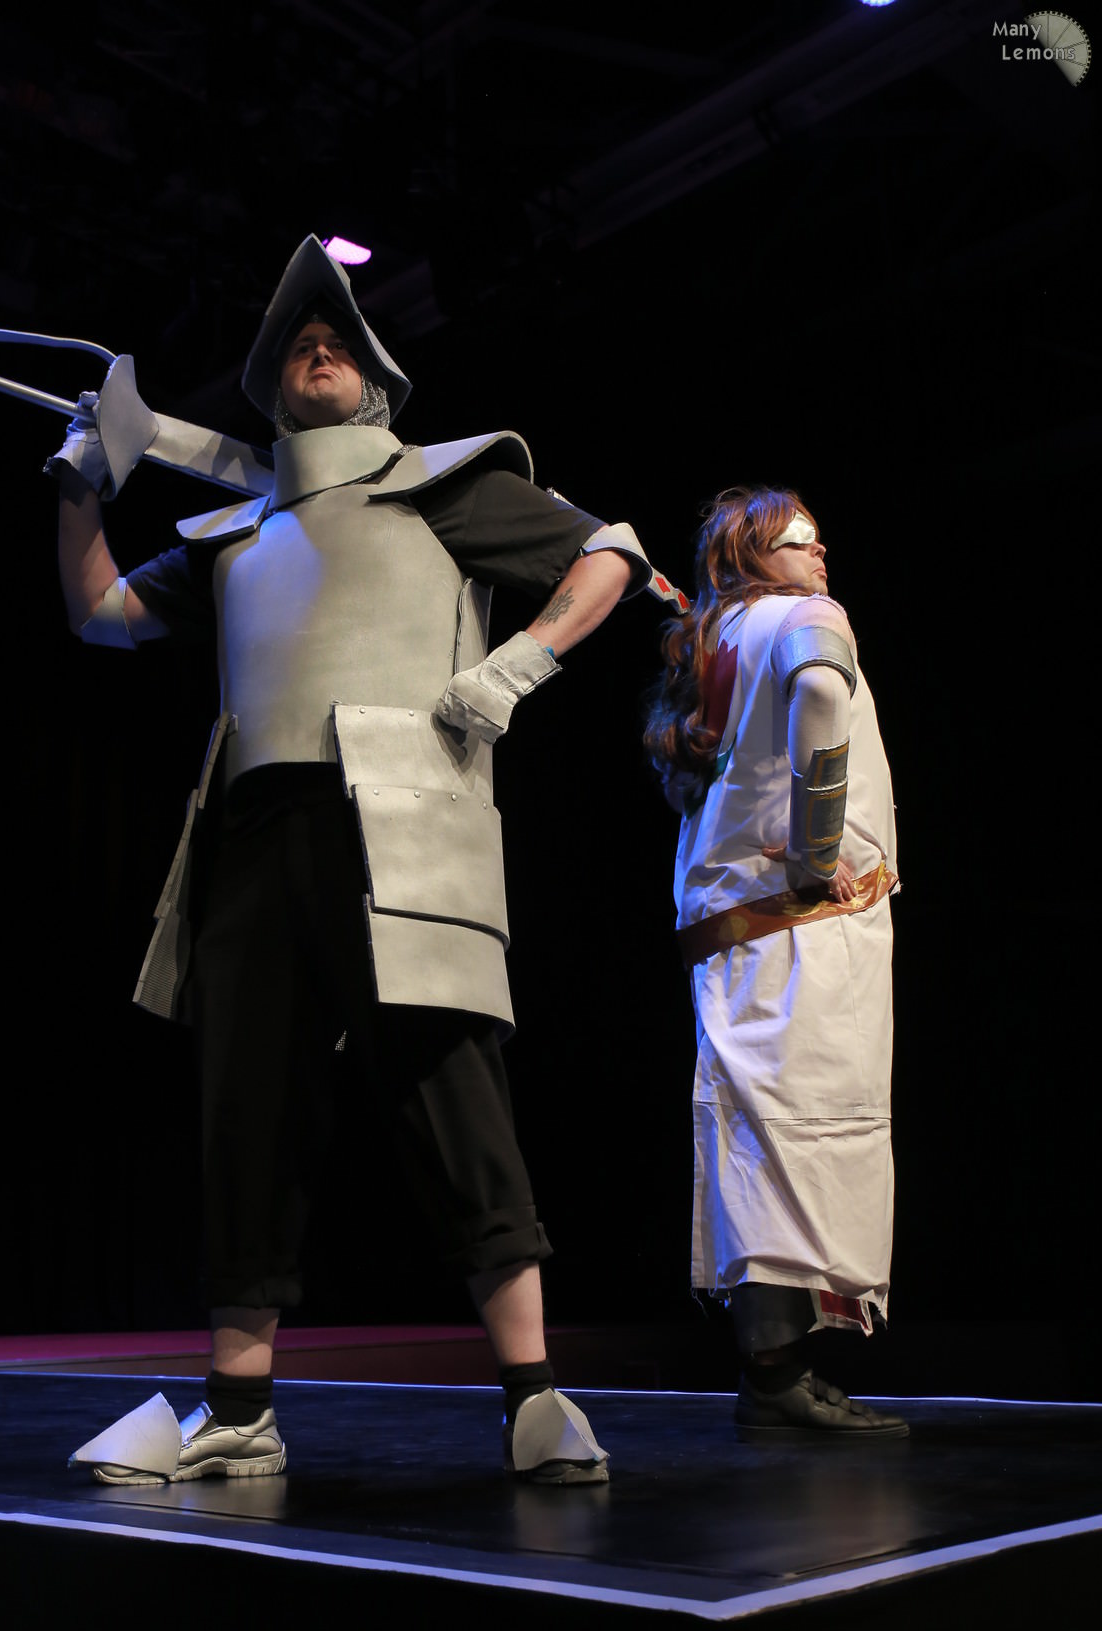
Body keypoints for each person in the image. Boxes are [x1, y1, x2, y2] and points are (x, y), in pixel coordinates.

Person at [52, 235, 652, 1485]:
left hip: (400, 818)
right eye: (295, 348)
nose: (314, 350)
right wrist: (79, 491)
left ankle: (536, 1397)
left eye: (337, 342)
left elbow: (613, 553)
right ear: (273, 397)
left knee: (452, 1093)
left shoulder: (446, 485)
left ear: (377, 384)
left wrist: (517, 664)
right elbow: (102, 615)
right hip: (251, 835)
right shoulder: (233, 531)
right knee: (247, 1115)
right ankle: (239, 1409)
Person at [645, 485, 907, 1440]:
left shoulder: (712, 641)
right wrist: (815, 849)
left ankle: (774, 1368)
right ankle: (776, 1376)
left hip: (731, 930)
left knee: (759, 1133)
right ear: (750, 557)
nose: (820, 555)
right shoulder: (806, 620)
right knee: (806, 1130)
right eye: (799, 542)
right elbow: (825, 695)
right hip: (801, 923)